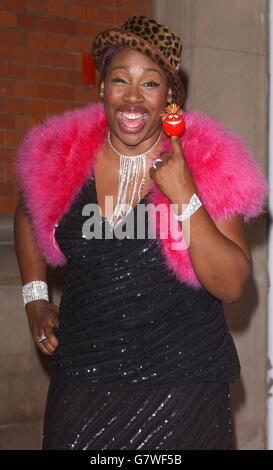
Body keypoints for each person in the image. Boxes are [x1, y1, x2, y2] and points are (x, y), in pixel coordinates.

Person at [13, 15, 268, 450]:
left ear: (169, 95)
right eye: (120, 80)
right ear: (102, 90)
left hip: (182, 393)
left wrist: (185, 195)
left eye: (149, 83)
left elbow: (230, 284)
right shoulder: (64, 156)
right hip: (83, 387)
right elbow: (24, 215)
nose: (132, 97)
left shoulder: (207, 160)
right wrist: (35, 299)